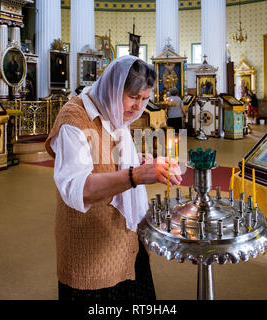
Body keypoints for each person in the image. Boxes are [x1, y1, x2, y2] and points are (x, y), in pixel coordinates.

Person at [45, 55, 182, 301]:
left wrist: (140, 160)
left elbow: (108, 154)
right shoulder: (74, 120)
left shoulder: (112, 109)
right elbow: (79, 189)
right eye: (133, 97)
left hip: (125, 237)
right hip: (89, 245)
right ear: (113, 87)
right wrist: (135, 175)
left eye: (144, 99)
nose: (138, 107)